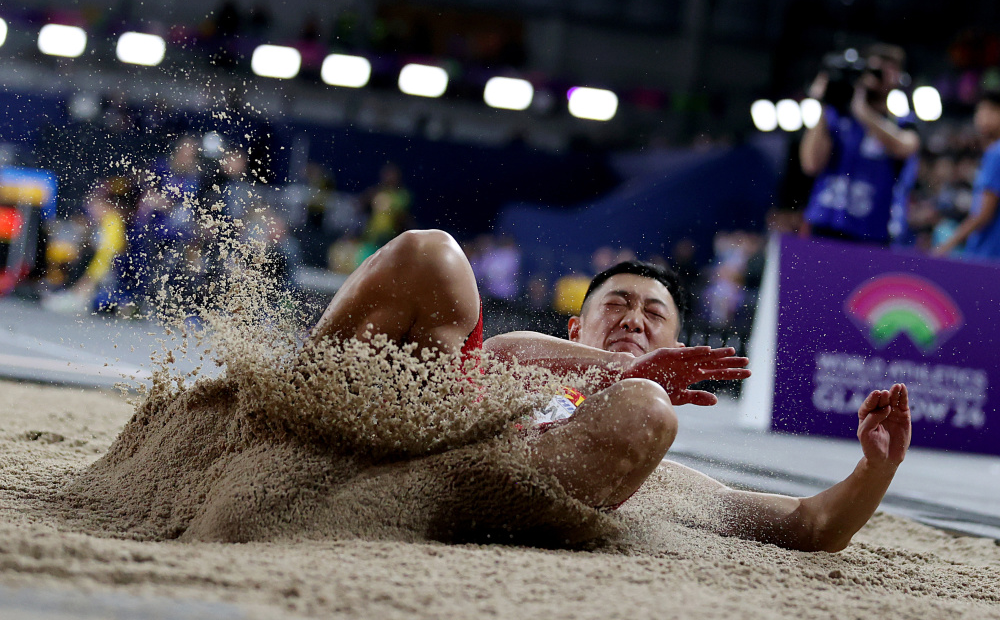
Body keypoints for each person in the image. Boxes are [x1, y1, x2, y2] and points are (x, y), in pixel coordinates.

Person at [309, 229, 912, 552]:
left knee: (644, 411)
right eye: (617, 305)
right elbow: (500, 355)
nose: (634, 321)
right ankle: (269, 420)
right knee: (430, 253)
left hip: (475, 494)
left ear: (679, 346)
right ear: (576, 328)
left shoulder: (667, 483)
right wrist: (616, 369)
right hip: (408, 432)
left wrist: (876, 469)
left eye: (655, 316)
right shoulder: (527, 358)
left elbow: (812, 525)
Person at [800, 44, 921, 245]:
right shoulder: (836, 118)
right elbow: (810, 164)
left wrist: (861, 109)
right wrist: (824, 103)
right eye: (871, 70)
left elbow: (905, 148)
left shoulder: (901, 123)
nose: (875, 77)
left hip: (871, 232)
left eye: (883, 71)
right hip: (824, 223)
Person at [933, 91, 1000, 259]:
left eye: (987, 111)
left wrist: (946, 246)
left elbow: (983, 215)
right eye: (979, 111)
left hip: (987, 255)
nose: (979, 117)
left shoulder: (996, 153)